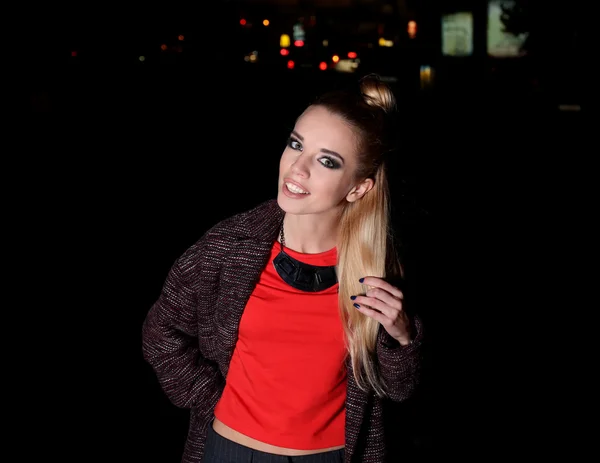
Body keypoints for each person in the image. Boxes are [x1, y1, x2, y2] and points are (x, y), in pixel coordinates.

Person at [141, 73, 423, 463]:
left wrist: (402, 339)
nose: (298, 168)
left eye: (327, 161)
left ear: (358, 188)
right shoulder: (228, 247)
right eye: (296, 144)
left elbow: (398, 389)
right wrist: (212, 402)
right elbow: (160, 333)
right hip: (230, 451)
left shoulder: (379, 268)